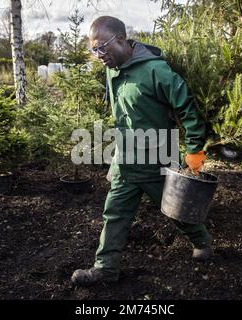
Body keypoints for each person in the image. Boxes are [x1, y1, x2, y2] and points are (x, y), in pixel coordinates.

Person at [71, 16, 212, 286]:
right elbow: (121, 119)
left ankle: (202, 242)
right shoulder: (112, 70)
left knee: (173, 208)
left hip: (157, 158)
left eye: (101, 47)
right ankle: (106, 269)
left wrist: (194, 152)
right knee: (114, 213)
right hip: (126, 160)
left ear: (121, 39)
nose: (98, 55)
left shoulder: (157, 71)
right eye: (93, 49)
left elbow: (189, 110)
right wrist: (115, 159)